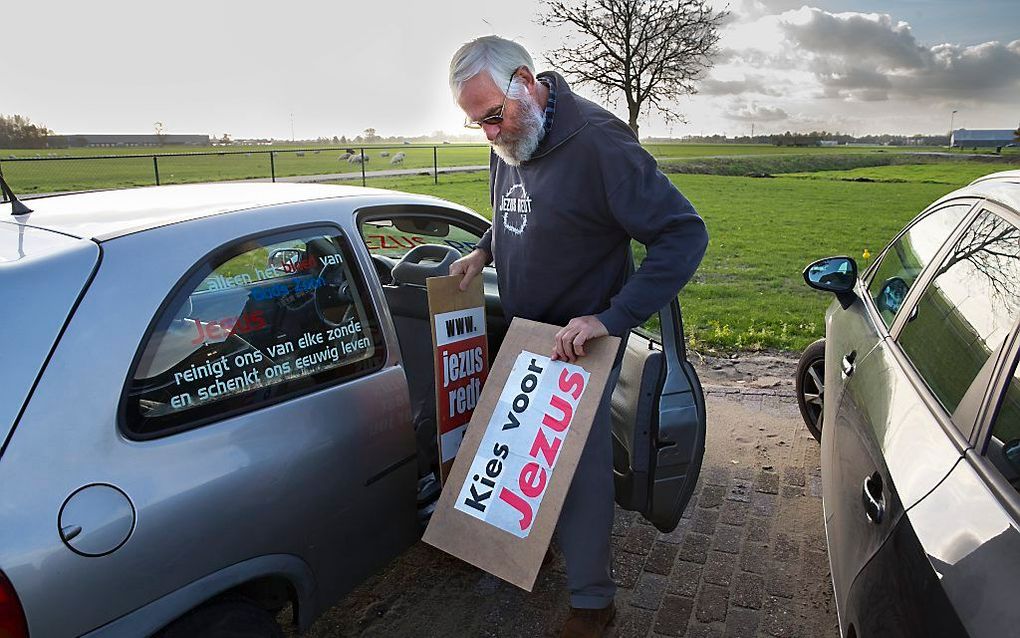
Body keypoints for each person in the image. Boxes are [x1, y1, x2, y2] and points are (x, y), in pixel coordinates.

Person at [447, 35, 708, 638]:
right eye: (475, 123)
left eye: (493, 115)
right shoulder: (512, 137)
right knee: (522, 453)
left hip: (581, 340)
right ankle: (530, 547)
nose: (488, 132)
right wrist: (482, 249)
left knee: (577, 466)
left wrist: (611, 319)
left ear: (524, 80)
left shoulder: (599, 142)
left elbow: (683, 235)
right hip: (525, 335)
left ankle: (594, 603)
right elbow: (514, 208)